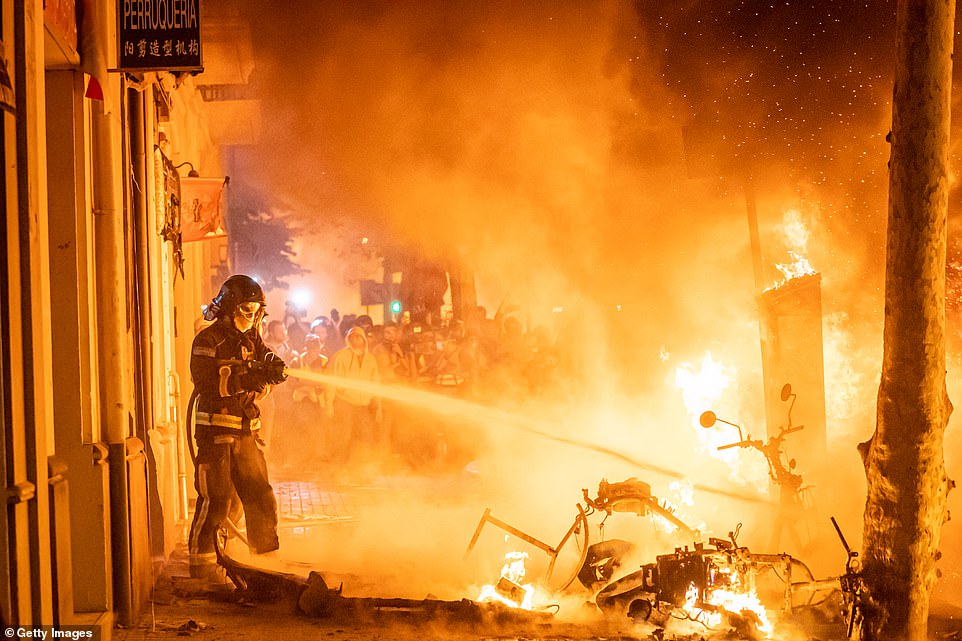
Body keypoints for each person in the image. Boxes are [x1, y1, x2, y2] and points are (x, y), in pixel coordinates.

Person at [187, 274, 288, 581]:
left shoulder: (252, 341)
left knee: (260, 499)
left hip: (247, 434)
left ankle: (266, 569)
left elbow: (261, 379)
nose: (253, 316)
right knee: (217, 501)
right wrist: (245, 379)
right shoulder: (208, 340)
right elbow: (206, 382)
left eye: (258, 311)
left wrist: (271, 373)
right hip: (215, 435)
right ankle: (203, 573)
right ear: (229, 307)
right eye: (247, 309)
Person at [325, 326, 382, 467]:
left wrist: (379, 407)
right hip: (345, 402)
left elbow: (376, 383)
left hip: (363, 404)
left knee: (365, 436)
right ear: (348, 338)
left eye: (359, 337)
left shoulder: (370, 359)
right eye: (353, 337)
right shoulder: (340, 356)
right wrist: (329, 403)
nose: (356, 340)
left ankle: (361, 467)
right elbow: (331, 380)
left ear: (364, 339)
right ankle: (338, 467)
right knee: (344, 436)